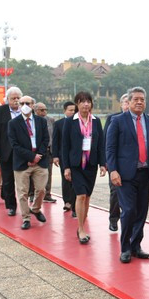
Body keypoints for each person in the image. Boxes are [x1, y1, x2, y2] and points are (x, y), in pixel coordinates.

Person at [105, 86, 149, 263]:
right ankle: (125, 247)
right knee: (128, 210)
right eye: (136, 99)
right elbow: (110, 149)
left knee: (141, 212)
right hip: (125, 175)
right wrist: (113, 170)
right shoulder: (118, 121)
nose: (140, 102)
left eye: (142, 99)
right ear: (129, 101)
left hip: (145, 173)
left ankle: (136, 246)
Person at [61, 92, 106, 243]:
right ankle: (80, 228)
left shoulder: (96, 121)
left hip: (91, 165)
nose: (86, 104)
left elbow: (101, 145)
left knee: (87, 197)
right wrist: (66, 167)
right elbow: (65, 146)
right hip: (76, 165)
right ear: (77, 104)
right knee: (80, 195)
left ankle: (83, 224)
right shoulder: (70, 122)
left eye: (88, 102)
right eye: (82, 102)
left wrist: (103, 164)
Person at [7, 95, 50, 230]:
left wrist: (39, 156)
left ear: (33, 105)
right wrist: (31, 157)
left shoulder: (41, 121)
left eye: (28, 103)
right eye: (22, 103)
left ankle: (36, 209)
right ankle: (26, 218)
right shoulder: (13, 123)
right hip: (22, 162)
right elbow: (14, 145)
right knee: (22, 192)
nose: (25, 105)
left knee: (41, 189)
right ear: (19, 105)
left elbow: (45, 140)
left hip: (40, 161)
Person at [0, 86, 23, 216]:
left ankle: (26, 204)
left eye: (18, 98)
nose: (16, 100)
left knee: (24, 179)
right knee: (8, 179)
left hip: (23, 151)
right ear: (7, 99)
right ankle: (11, 206)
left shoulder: (25, 110)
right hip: (6, 150)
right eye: (13, 98)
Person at [103, 94, 130, 232]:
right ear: (121, 104)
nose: (127, 104)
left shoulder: (137, 120)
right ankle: (113, 219)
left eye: (128, 102)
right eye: (125, 102)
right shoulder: (113, 119)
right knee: (115, 192)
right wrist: (106, 162)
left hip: (130, 163)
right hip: (115, 162)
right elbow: (106, 142)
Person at [52, 101, 77, 216]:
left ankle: (75, 203)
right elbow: (55, 141)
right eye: (70, 110)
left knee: (76, 180)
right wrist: (55, 156)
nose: (72, 112)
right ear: (64, 111)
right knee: (66, 178)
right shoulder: (58, 124)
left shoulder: (79, 123)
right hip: (63, 156)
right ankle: (67, 201)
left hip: (77, 157)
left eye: (74, 110)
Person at [34, 102, 57, 203]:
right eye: (41, 110)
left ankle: (47, 194)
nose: (44, 112)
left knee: (48, 173)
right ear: (35, 111)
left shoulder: (50, 120)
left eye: (45, 110)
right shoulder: (32, 120)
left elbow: (54, 136)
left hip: (48, 151)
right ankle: (32, 194)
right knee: (33, 173)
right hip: (35, 152)